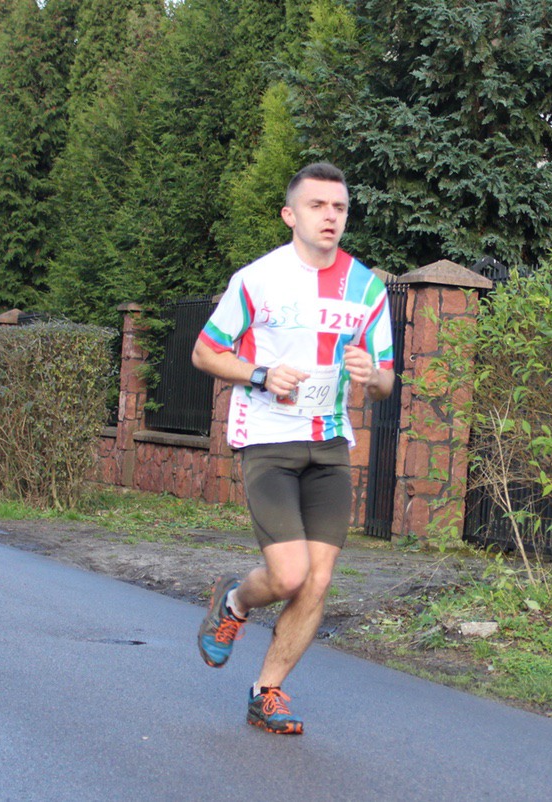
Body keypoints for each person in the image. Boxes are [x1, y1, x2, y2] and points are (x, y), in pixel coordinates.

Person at [191, 162, 395, 734]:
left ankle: (267, 692)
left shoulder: (368, 288)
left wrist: (370, 375)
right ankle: (235, 601)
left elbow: (386, 381)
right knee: (287, 575)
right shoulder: (257, 280)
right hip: (269, 440)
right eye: (317, 205)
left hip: (329, 444)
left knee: (319, 579)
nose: (330, 216)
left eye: (339, 208)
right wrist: (259, 374)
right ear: (290, 214)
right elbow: (205, 352)